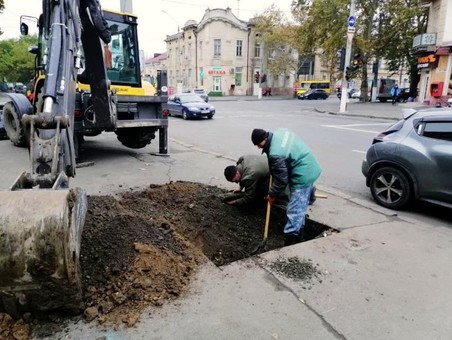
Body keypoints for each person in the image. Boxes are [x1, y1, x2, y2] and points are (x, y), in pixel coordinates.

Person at [251, 128, 321, 246]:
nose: (258, 147)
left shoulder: (275, 153)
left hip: (302, 175)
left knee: (294, 210)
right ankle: (300, 237)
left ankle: (290, 243)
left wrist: (272, 194)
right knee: (300, 208)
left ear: (264, 139)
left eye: (258, 144)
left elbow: (281, 180)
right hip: (310, 165)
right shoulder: (280, 132)